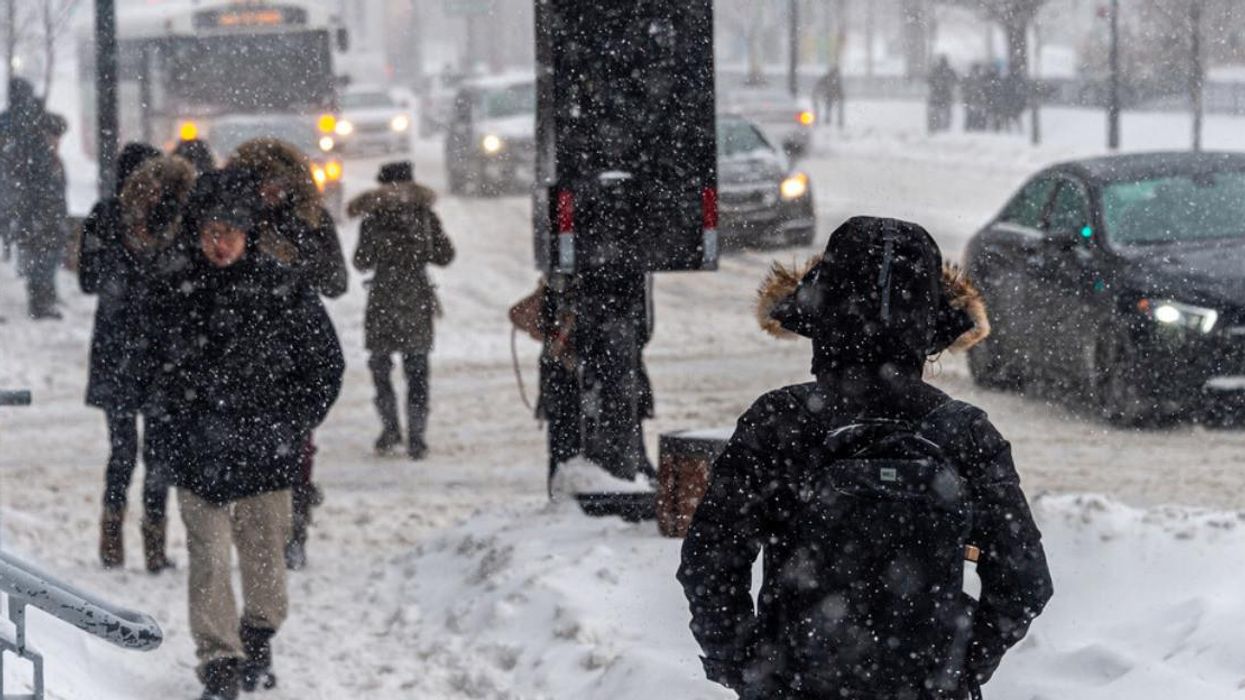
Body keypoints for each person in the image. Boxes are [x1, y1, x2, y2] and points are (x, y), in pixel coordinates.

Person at [678, 216, 1052, 700]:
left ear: (821, 316)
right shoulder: (967, 435)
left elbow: (710, 562)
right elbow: (1023, 582)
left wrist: (752, 668)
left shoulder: (779, 423)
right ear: (931, 328)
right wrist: (956, 669)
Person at [146, 167, 344, 700]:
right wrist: (168, 432)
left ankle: (258, 640)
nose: (220, 243)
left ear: (248, 233)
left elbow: (325, 365)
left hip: (265, 450)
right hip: (198, 451)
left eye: (230, 231)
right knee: (208, 559)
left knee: (264, 558)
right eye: (211, 231)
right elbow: (151, 372)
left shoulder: (282, 289)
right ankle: (219, 661)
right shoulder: (176, 290)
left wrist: (294, 422)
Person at [228, 138, 348, 569]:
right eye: (261, 183)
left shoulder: (307, 222)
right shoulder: (234, 222)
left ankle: (293, 529)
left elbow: (336, 281)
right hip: (239, 342)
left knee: (295, 445)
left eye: (277, 183)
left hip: (294, 342)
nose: (270, 192)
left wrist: (295, 261)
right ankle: (252, 528)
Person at [80, 144, 189, 571]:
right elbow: (91, 280)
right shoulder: (107, 217)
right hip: (131, 349)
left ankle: (148, 541)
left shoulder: (168, 218)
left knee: (150, 450)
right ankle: (122, 538)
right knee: (129, 449)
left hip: (140, 349)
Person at [349, 160, 454, 460]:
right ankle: (417, 437)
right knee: (417, 370)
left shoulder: (373, 218)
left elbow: (361, 261)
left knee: (381, 368)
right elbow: (445, 255)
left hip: (382, 299)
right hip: (416, 298)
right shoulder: (424, 216)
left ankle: (390, 429)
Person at [928, 56, 958, 134]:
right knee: (946, 116)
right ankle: (944, 131)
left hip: (936, 97)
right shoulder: (950, 71)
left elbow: (929, 81)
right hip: (945, 97)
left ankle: (935, 129)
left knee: (935, 116)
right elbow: (956, 81)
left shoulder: (935, 71)